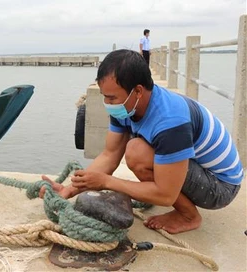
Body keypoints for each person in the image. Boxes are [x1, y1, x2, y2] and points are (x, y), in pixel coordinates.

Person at [40, 49, 243, 234]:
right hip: (202, 171)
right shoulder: (126, 106)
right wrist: (69, 189)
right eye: (105, 97)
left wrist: (107, 182)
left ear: (137, 91)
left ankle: (189, 216)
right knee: (137, 150)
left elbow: (165, 196)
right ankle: (185, 209)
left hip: (221, 185)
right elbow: (110, 156)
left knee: (137, 152)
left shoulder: (171, 121)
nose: (107, 104)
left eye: (111, 98)